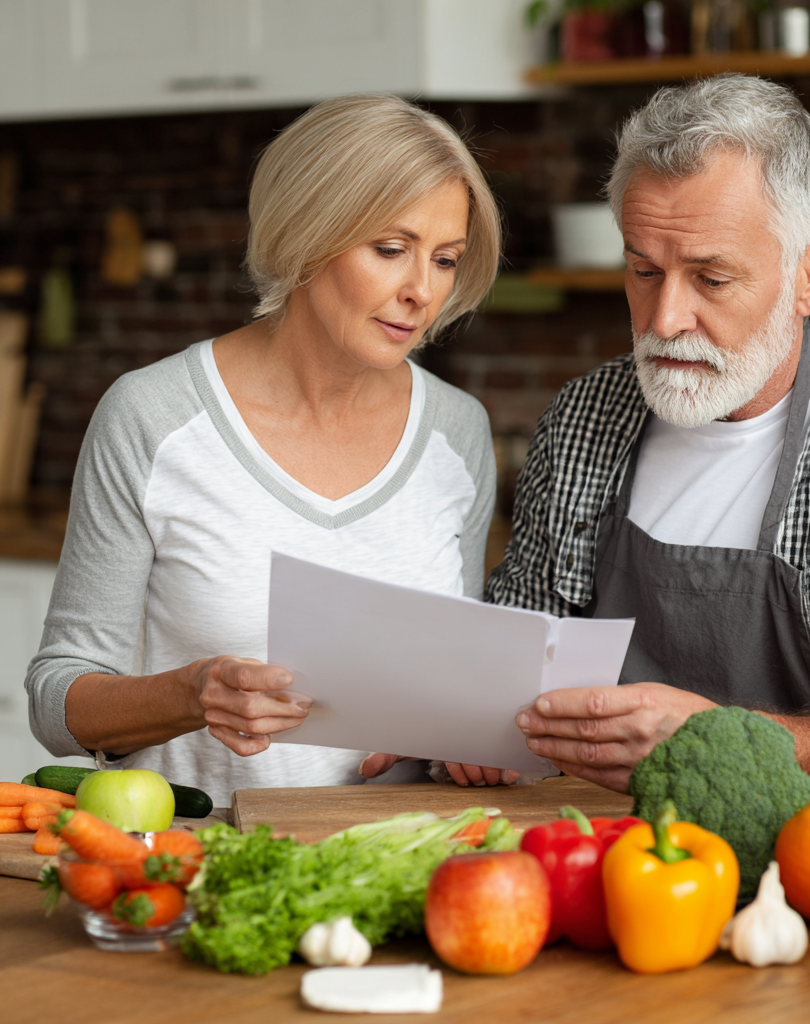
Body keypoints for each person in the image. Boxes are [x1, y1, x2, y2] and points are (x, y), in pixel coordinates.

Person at [490, 76, 810, 797]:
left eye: (712, 279)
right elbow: (516, 658)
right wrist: (475, 726)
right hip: (609, 845)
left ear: (809, 275)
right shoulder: (585, 417)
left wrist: (719, 743)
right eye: (644, 271)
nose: (665, 320)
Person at [26, 95, 516, 806]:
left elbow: (450, 690)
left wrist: (465, 738)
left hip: (406, 856)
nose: (422, 291)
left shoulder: (457, 431)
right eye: (390, 249)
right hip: (207, 855)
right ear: (306, 234)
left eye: (446, 260)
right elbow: (55, 700)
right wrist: (192, 693)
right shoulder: (152, 417)